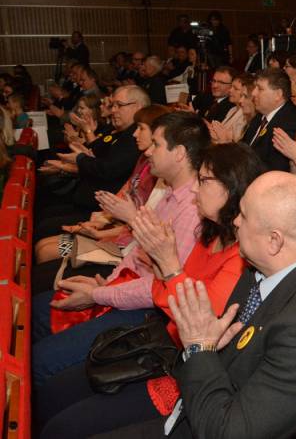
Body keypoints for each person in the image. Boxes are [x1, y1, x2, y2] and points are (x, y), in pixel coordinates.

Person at [94, 172, 296, 438]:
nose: (235, 221)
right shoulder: (263, 268)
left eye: (244, 215)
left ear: (274, 240)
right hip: (197, 407)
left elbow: (228, 432)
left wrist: (198, 347)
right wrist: (203, 348)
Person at [34, 143, 264, 439]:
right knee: (43, 248)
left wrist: (162, 266)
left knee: (56, 405)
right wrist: (133, 258)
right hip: (140, 303)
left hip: (171, 349)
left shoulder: (224, 242)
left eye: (204, 180)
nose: (195, 188)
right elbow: (155, 281)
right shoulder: (194, 217)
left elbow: (192, 315)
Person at [31, 112, 209, 386]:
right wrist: (103, 228)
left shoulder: (183, 200)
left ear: (179, 153)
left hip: (115, 255)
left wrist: (100, 289)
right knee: (43, 247)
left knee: (46, 255)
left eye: (153, 140)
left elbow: (156, 276)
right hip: (115, 254)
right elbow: (135, 240)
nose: (143, 142)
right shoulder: (153, 174)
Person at [34, 85, 149, 242]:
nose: (113, 110)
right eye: (112, 105)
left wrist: (79, 159)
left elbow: (107, 168)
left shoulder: (134, 141)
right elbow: (98, 158)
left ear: (138, 107)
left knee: (45, 240)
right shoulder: (121, 133)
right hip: (96, 214)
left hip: (104, 226)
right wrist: (80, 156)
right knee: (43, 217)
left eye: (119, 105)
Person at [243, 68, 296, 171]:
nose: (253, 93)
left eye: (260, 89)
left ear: (278, 94)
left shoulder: (291, 125)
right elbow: (244, 148)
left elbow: (276, 169)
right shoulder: (261, 116)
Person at [208, 72, 250, 144]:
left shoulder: (245, 114)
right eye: (231, 87)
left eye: (236, 89)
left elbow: (235, 142)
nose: (230, 90)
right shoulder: (232, 109)